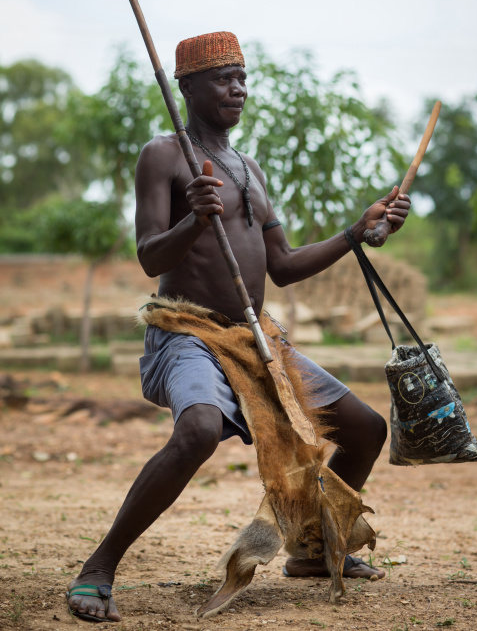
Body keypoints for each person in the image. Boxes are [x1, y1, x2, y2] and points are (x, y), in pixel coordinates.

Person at [67, 31, 411, 622]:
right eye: (224, 79)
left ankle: (309, 548)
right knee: (199, 429)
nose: (239, 89)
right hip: (188, 334)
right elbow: (150, 257)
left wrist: (357, 231)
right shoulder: (163, 155)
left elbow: (283, 266)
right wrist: (195, 222)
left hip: (255, 337)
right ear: (187, 87)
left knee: (365, 427)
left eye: (243, 78)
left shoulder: (247, 168)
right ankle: (98, 569)